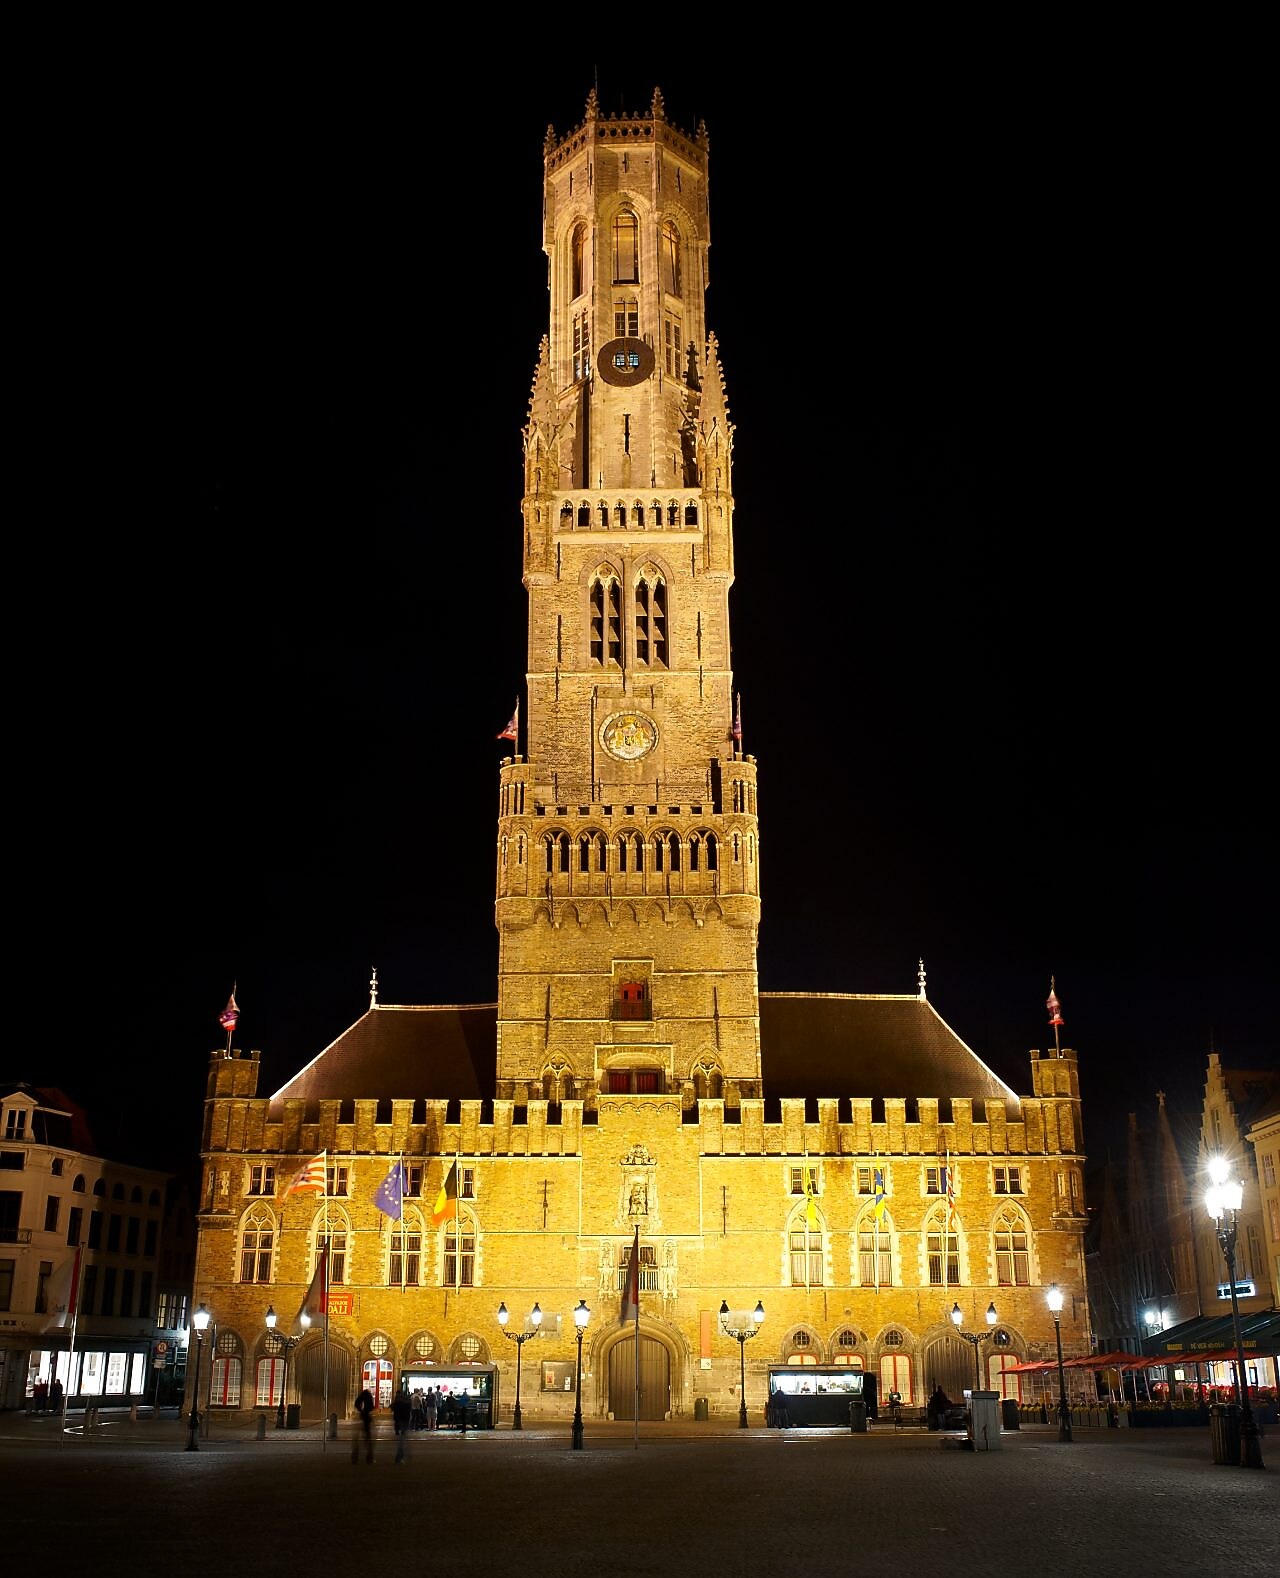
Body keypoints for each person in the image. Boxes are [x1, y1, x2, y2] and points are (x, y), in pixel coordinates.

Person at [353, 1386, 375, 1463]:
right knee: (368, 1438)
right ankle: (369, 1457)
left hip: (362, 1417)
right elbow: (371, 1407)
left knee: (357, 1437)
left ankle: (355, 1457)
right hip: (366, 1418)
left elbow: (356, 1403)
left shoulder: (362, 1396)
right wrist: (365, 1411)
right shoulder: (369, 1397)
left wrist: (361, 1410)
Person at [392, 1386, 412, 1462]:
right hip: (405, 1421)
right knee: (402, 1439)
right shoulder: (406, 1401)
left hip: (399, 1421)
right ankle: (400, 1456)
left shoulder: (397, 1401)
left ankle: (400, 1456)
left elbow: (394, 1410)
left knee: (401, 1439)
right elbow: (409, 1410)